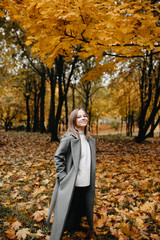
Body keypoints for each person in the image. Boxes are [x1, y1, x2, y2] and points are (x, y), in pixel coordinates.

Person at [46, 108, 96, 240]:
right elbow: (58, 157)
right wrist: (62, 176)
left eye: (85, 116)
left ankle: (76, 224)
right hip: (72, 180)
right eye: (79, 117)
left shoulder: (89, 138)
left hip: (85, 178)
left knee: (80, 202)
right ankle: (66, 226)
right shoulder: (69, 137)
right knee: (70, 203)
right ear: (73, 120)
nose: (83, 118)